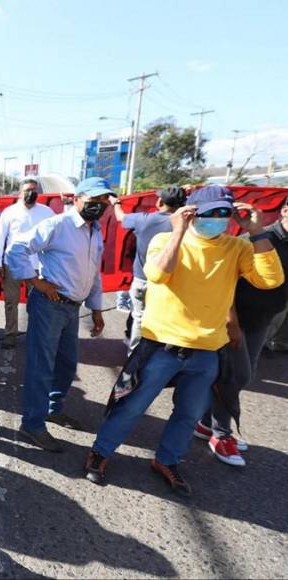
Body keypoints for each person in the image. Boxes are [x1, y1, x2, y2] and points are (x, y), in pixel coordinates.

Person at [85, 185, 284, 495]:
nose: (217, 219)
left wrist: (257, 233)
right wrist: (177, 233)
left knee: (189, 414)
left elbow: (270, 280)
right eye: (210, 213)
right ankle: (100, 452)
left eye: (224, 213)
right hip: (160, 345)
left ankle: (168, 460)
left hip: (205, 351)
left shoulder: (237, 248)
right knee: (133, 405)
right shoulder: (165, 240)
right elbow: (157, 274)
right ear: (190, 213)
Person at [6, 176, 110, 451]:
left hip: (72, 308)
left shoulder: (95, 230)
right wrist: (34, 280)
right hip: (49, 305)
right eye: (93, 200)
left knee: (66, 364)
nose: (99, 205)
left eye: (103, 201)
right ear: (77, 199)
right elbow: (16, 250)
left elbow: (93, 272)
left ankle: (53, 408)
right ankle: (32, 425)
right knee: (41, 367)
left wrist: (96, 309)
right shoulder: (58, 224)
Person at [194, 195, 288, 466]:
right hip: (236, 320)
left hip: (266, 319)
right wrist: (231, 323)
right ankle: (221, 434)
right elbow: (226, 285)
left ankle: (204, 424)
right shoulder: (255, 240)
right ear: (283, 211)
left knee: (243, 375)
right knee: (236, 376)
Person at [111, 185, 187, 350]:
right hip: (173, 282)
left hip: (143, 279)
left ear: (159, 201)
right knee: (168, 319)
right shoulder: (187, 224)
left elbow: (120, 217)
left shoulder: (143, 219)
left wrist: (116, 202)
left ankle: (135, 355)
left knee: (139, 317)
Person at [0, 178, 55, 349]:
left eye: (34, 190)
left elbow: (56, 237)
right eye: (27, 190)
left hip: (37, 266)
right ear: (20, 193)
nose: (31, 193)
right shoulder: (9, 212)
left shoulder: (47, 212)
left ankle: (35, 336)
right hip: (12, 264)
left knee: (37, 303)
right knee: (11, 301)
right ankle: (10, 335)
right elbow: (1, 238)